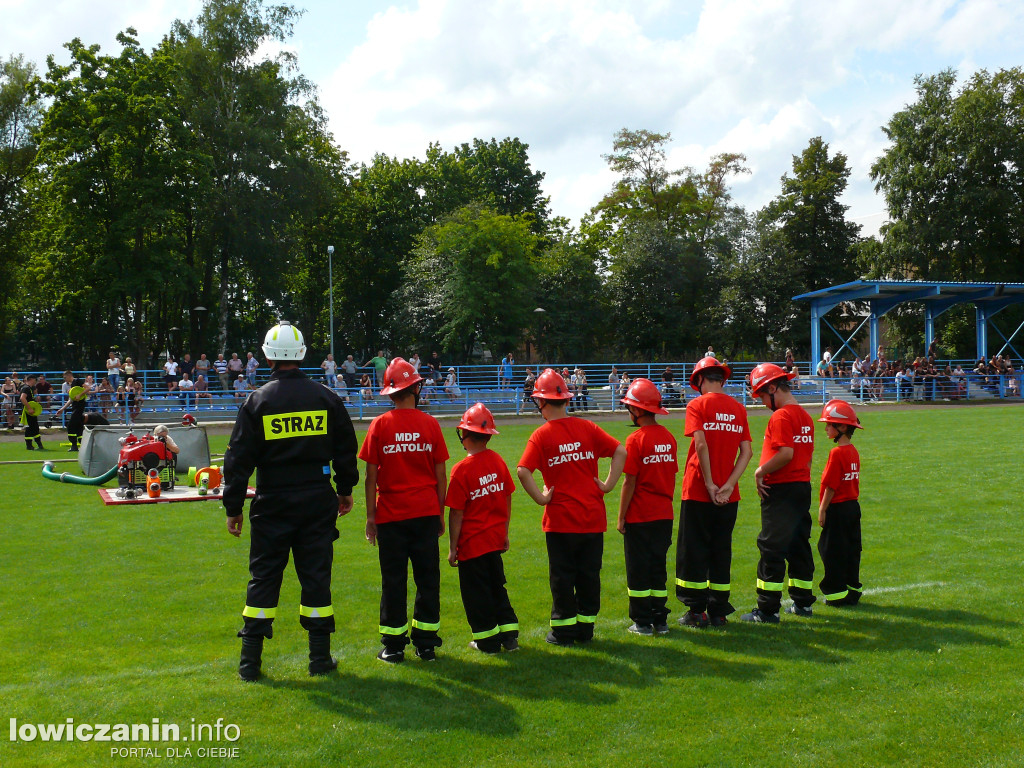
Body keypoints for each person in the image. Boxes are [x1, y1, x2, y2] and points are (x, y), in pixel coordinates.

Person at [222, 321, 358, 682]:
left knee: (264, 577)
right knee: (316, 577)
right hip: (317, 498)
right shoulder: (326, 397)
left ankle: (249, 663)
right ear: (301, 355)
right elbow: (346, 449)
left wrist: (233, 507)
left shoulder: (257, 400)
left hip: (272, 501)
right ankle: (319, 659)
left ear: (267, 355)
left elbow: (237, 460)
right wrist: (345, 489)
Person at [517, 368, 626, 646]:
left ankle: (563, 632)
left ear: (541, 402)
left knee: (562, 576)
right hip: (591, 518)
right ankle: (585, 630)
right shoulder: (587, 427)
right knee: (589, 575)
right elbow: (620, 451)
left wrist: (542, 499)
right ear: (566, 400)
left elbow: (522, 471)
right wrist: (608, 485)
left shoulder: (541, 435)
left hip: (560, 521)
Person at [359, 357, 449, 663]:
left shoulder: (379, 425)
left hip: (391, 516)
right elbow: (440, 475)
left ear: (391, 392)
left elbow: (371, 477)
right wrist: (439, 513)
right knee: (427, 579)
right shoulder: (430, 424)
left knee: (393, 580)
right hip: (424, 513)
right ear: (416, 388)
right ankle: (426, 645)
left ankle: (394, 646)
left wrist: (371, 517)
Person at [675, 358, 752, 628]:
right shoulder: (738, 408)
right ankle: (718, 611)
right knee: (721, 551)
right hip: (729, 495)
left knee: (694, 550)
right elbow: (747, 452)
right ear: (723, 379)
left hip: (698, 490)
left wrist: (709, 483)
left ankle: (696, 611)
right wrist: (729, 484)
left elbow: (700, 444)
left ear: (699, 380)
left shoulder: (696, 405)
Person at [742, 363, 815, 623]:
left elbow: (786, 454)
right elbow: (806, 458)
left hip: (781, 488)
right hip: (800, 486)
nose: (762, 402)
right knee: (799, 545)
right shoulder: (805, 416)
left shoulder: (781, 416)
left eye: (762, 395)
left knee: (771, 547)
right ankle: (803, 603)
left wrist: (759, 472)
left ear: (773, 388)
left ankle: (767, 609)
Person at [446, 403, 518, 654]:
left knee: (477, 594)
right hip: (495, 538)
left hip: (473, 544)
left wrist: (452, 548)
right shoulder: (497, 460)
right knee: (497, 587)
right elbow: (507, 496)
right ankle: (509, 636)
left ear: (465, 436)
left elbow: (456, 512)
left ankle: (487, 641)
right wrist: (505, 531)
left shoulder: (460, 471)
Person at [616, 378, 678, 636]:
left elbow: (629, 481)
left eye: (630, 406)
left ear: (638, 410)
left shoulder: (635, 440)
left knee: (638, 569)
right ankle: (660, 619)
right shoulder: (669, 438)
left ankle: (641, 621)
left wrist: (620, 518)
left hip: (640, 515)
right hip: (664, 514)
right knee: (658, 567)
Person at [816, 400, 864, 607]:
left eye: (829, 424)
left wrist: (822, 510)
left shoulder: (836, 453)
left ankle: (835, 594)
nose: (826, 428)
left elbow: (831, 486)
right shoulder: (853, 450)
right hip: (852, 508)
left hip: (837, 508)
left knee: (831, 550)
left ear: (842, 427)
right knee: (851, 550)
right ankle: (853, 589)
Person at [19, 374, 45, 450]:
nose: (35, 382)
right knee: (30, 428)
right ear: (31, 379)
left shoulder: (29, 388)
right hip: (28, 412)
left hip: (31, 411)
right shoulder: (26, 388)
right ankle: (30, 445)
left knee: (34, 427)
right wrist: (29, 408)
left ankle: (38, 445)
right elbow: (22, 398)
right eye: (35, 380)